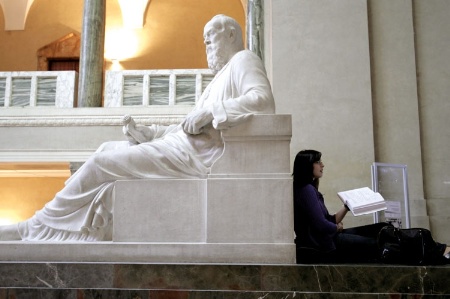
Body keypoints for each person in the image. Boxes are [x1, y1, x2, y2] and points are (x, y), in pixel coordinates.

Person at [0, 14, 275, 241]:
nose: (206, 44)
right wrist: (150, 133)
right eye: (204, 40)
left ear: (230, 34)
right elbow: (185, 127)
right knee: (107, 148)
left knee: (100, 163)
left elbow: (262, 100)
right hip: (182, 146)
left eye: (211, 36)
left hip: (197, 157)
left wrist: (211, 111)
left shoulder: (244, 60)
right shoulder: (218, 79)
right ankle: (64, 229)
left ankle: (34, 228)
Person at [293, 149, 450, 264]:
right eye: (318, 161)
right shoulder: (305, 190)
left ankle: (437, 248)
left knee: (382, 227)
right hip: (326, 243)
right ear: (308, 165)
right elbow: (322, 225)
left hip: (329, 237)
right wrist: (336, 228)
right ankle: (438, 250)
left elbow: (329, 219)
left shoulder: (309, 189)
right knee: (383, 242)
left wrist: (347, 206)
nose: (323, 165)